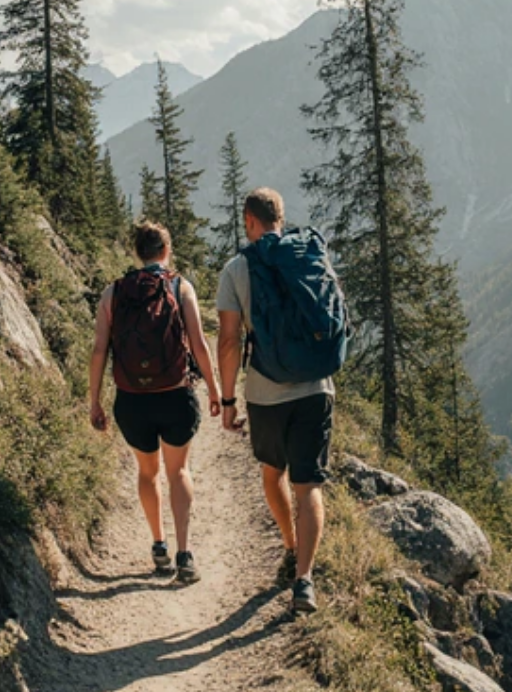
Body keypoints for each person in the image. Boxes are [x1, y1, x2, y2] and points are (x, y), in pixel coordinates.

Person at [216, 188, 335, 614]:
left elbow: (229, 341)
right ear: (280, 219)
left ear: (249, 220)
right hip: (316, 388)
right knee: (309, 487)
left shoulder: (237, 269)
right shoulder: (310, 255)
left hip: (265, 394)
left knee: (272, 475)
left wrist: (228, 399)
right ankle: (304, 580)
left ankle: (290, 546)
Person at [90, 222, 220, 582]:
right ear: (167, 250)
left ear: (137, 252)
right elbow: (199, 344)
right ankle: (185, 554)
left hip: (132, 401)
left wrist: (94, 401)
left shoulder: (113, 292)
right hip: (175, 395)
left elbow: (99, 350)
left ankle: (159, 546)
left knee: (148, 472)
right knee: (179, 471)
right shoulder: (180, 287)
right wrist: (214, 390)